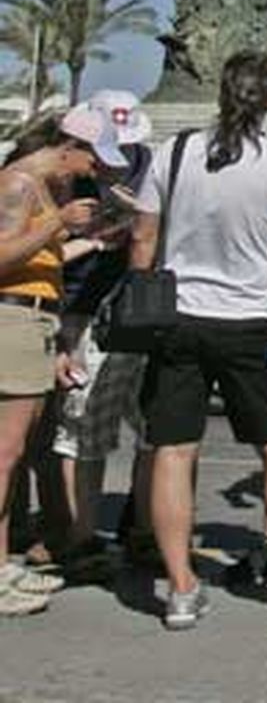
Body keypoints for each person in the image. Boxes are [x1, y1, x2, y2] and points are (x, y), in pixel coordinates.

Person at [130, 51, 267, 630]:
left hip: (180, 319)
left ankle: (182, 587)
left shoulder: (174, 153)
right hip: (246, 324)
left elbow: (144, 237)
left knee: (173, 448)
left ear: (220, 93)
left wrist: (145, 301)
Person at [0, 106, 124, 615]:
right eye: (93, 160)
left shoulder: (33, 188)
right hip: (14, 322)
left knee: (13, 454)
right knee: (6, 457)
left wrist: (85, 238)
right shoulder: (22, 186)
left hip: (32, 321)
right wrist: (57, 222)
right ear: (70, 146)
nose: (95, 172)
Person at [51, 90, 157, 575]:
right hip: (84, 312)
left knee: (156, 427)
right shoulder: (65, 179)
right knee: (83, 427)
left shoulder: (151, 166)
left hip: (140, 312)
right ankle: (81, 536)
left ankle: (143, 528)